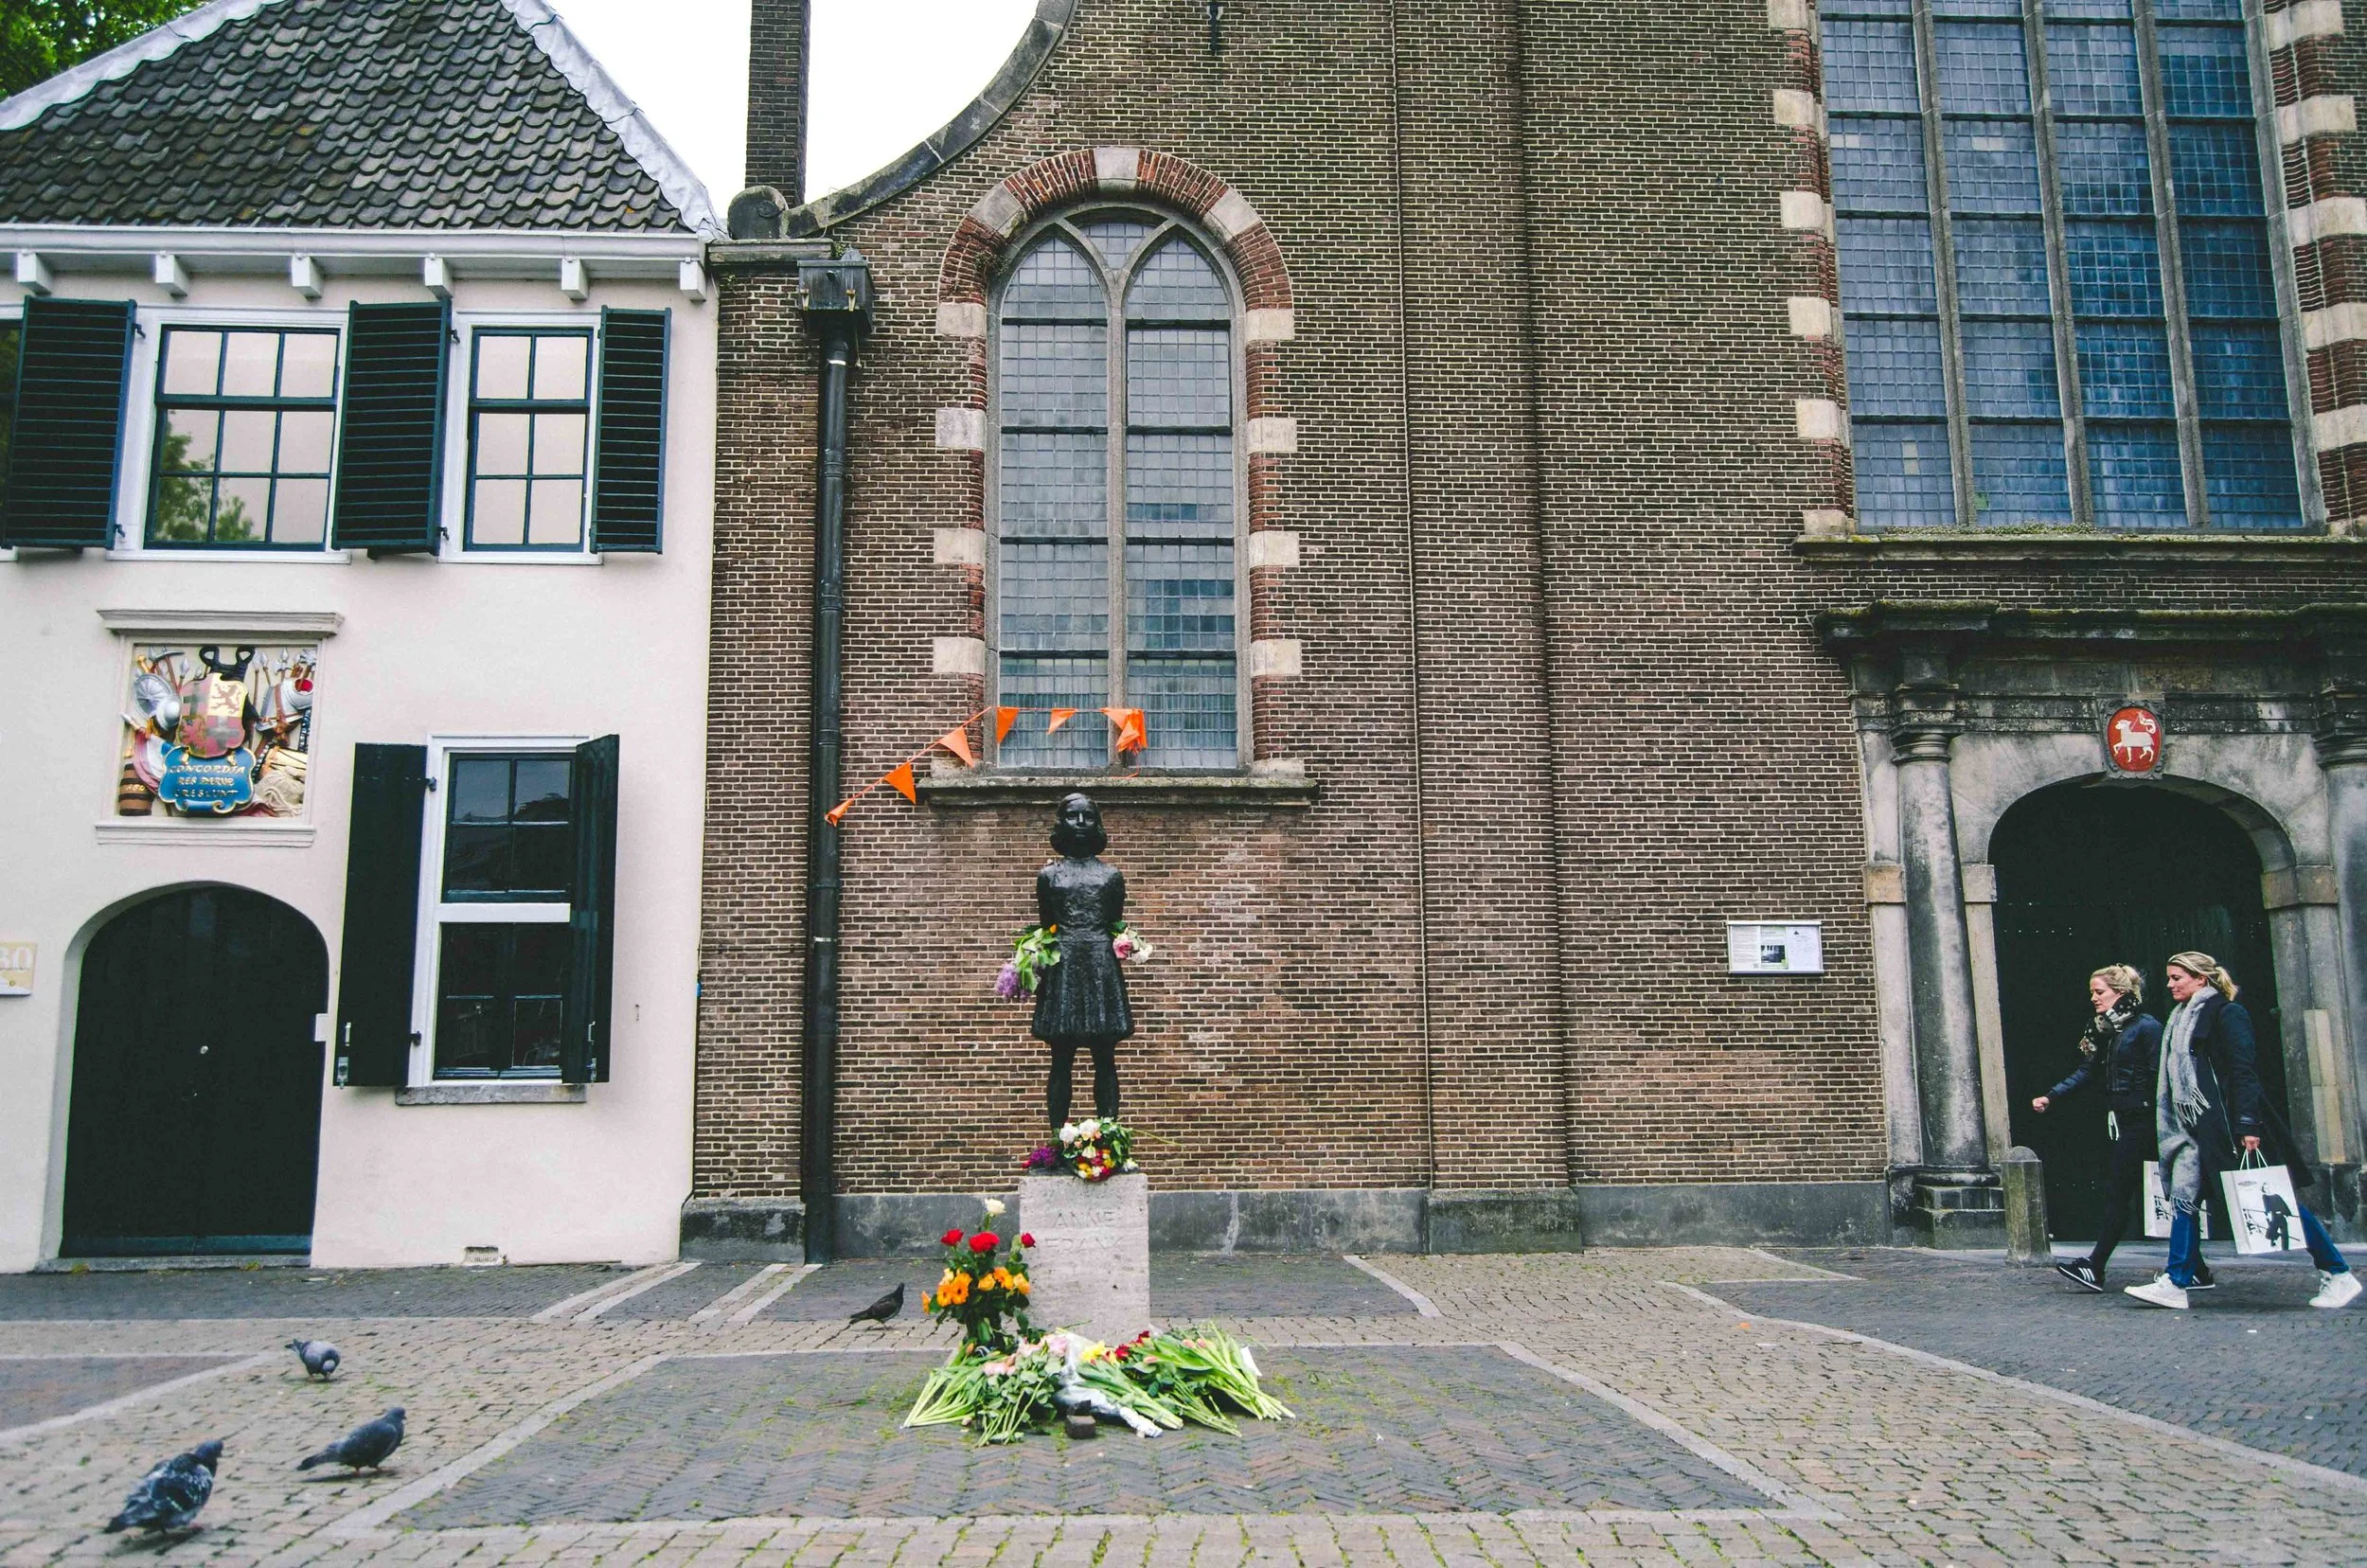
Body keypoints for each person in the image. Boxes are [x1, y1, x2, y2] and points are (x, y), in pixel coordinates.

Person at [2127, 952, 2360, 1310]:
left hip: (2227, 1127)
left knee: (2275, 1200)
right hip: (2193, 1130)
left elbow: (2243, 1070)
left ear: (2201, 979)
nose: (2170, 984)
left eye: (2177, 977)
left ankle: (2338, 1272)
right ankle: (2175, 1282)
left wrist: (2248, 1124)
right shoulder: (2178, 1018)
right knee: (2185, 1199)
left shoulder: (2227, 1013)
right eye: (2170, 978)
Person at [2033, 965, 2182, 1292]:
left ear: (2122, 993)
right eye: (2092, 992)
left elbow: (2162, 1077)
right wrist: (2051, 1096)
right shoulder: (2106, 1030)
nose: (2093, 998)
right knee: (2128, 1191)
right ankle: (2189, 1267)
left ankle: (2097, 1266)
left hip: (2145, 1121)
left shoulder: (2146, 1028)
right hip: (2126, 1121)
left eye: (2099, 992)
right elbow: (2087, 1070)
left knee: (2133, 1191)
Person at [1031, 793, 1133, 1130]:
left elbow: (1113, 920)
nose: (1079, 824)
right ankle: (1058, 1139)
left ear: (1097, 824)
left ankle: (1109, 1137)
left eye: (1087, 817)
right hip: (1063, 967)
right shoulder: (1049, 876)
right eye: (1072, 817)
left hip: (1100, 967)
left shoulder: (1111, 876)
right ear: (1060, 824)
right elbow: (1048, 924)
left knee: (1105, 1057)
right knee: (1061, 1058)